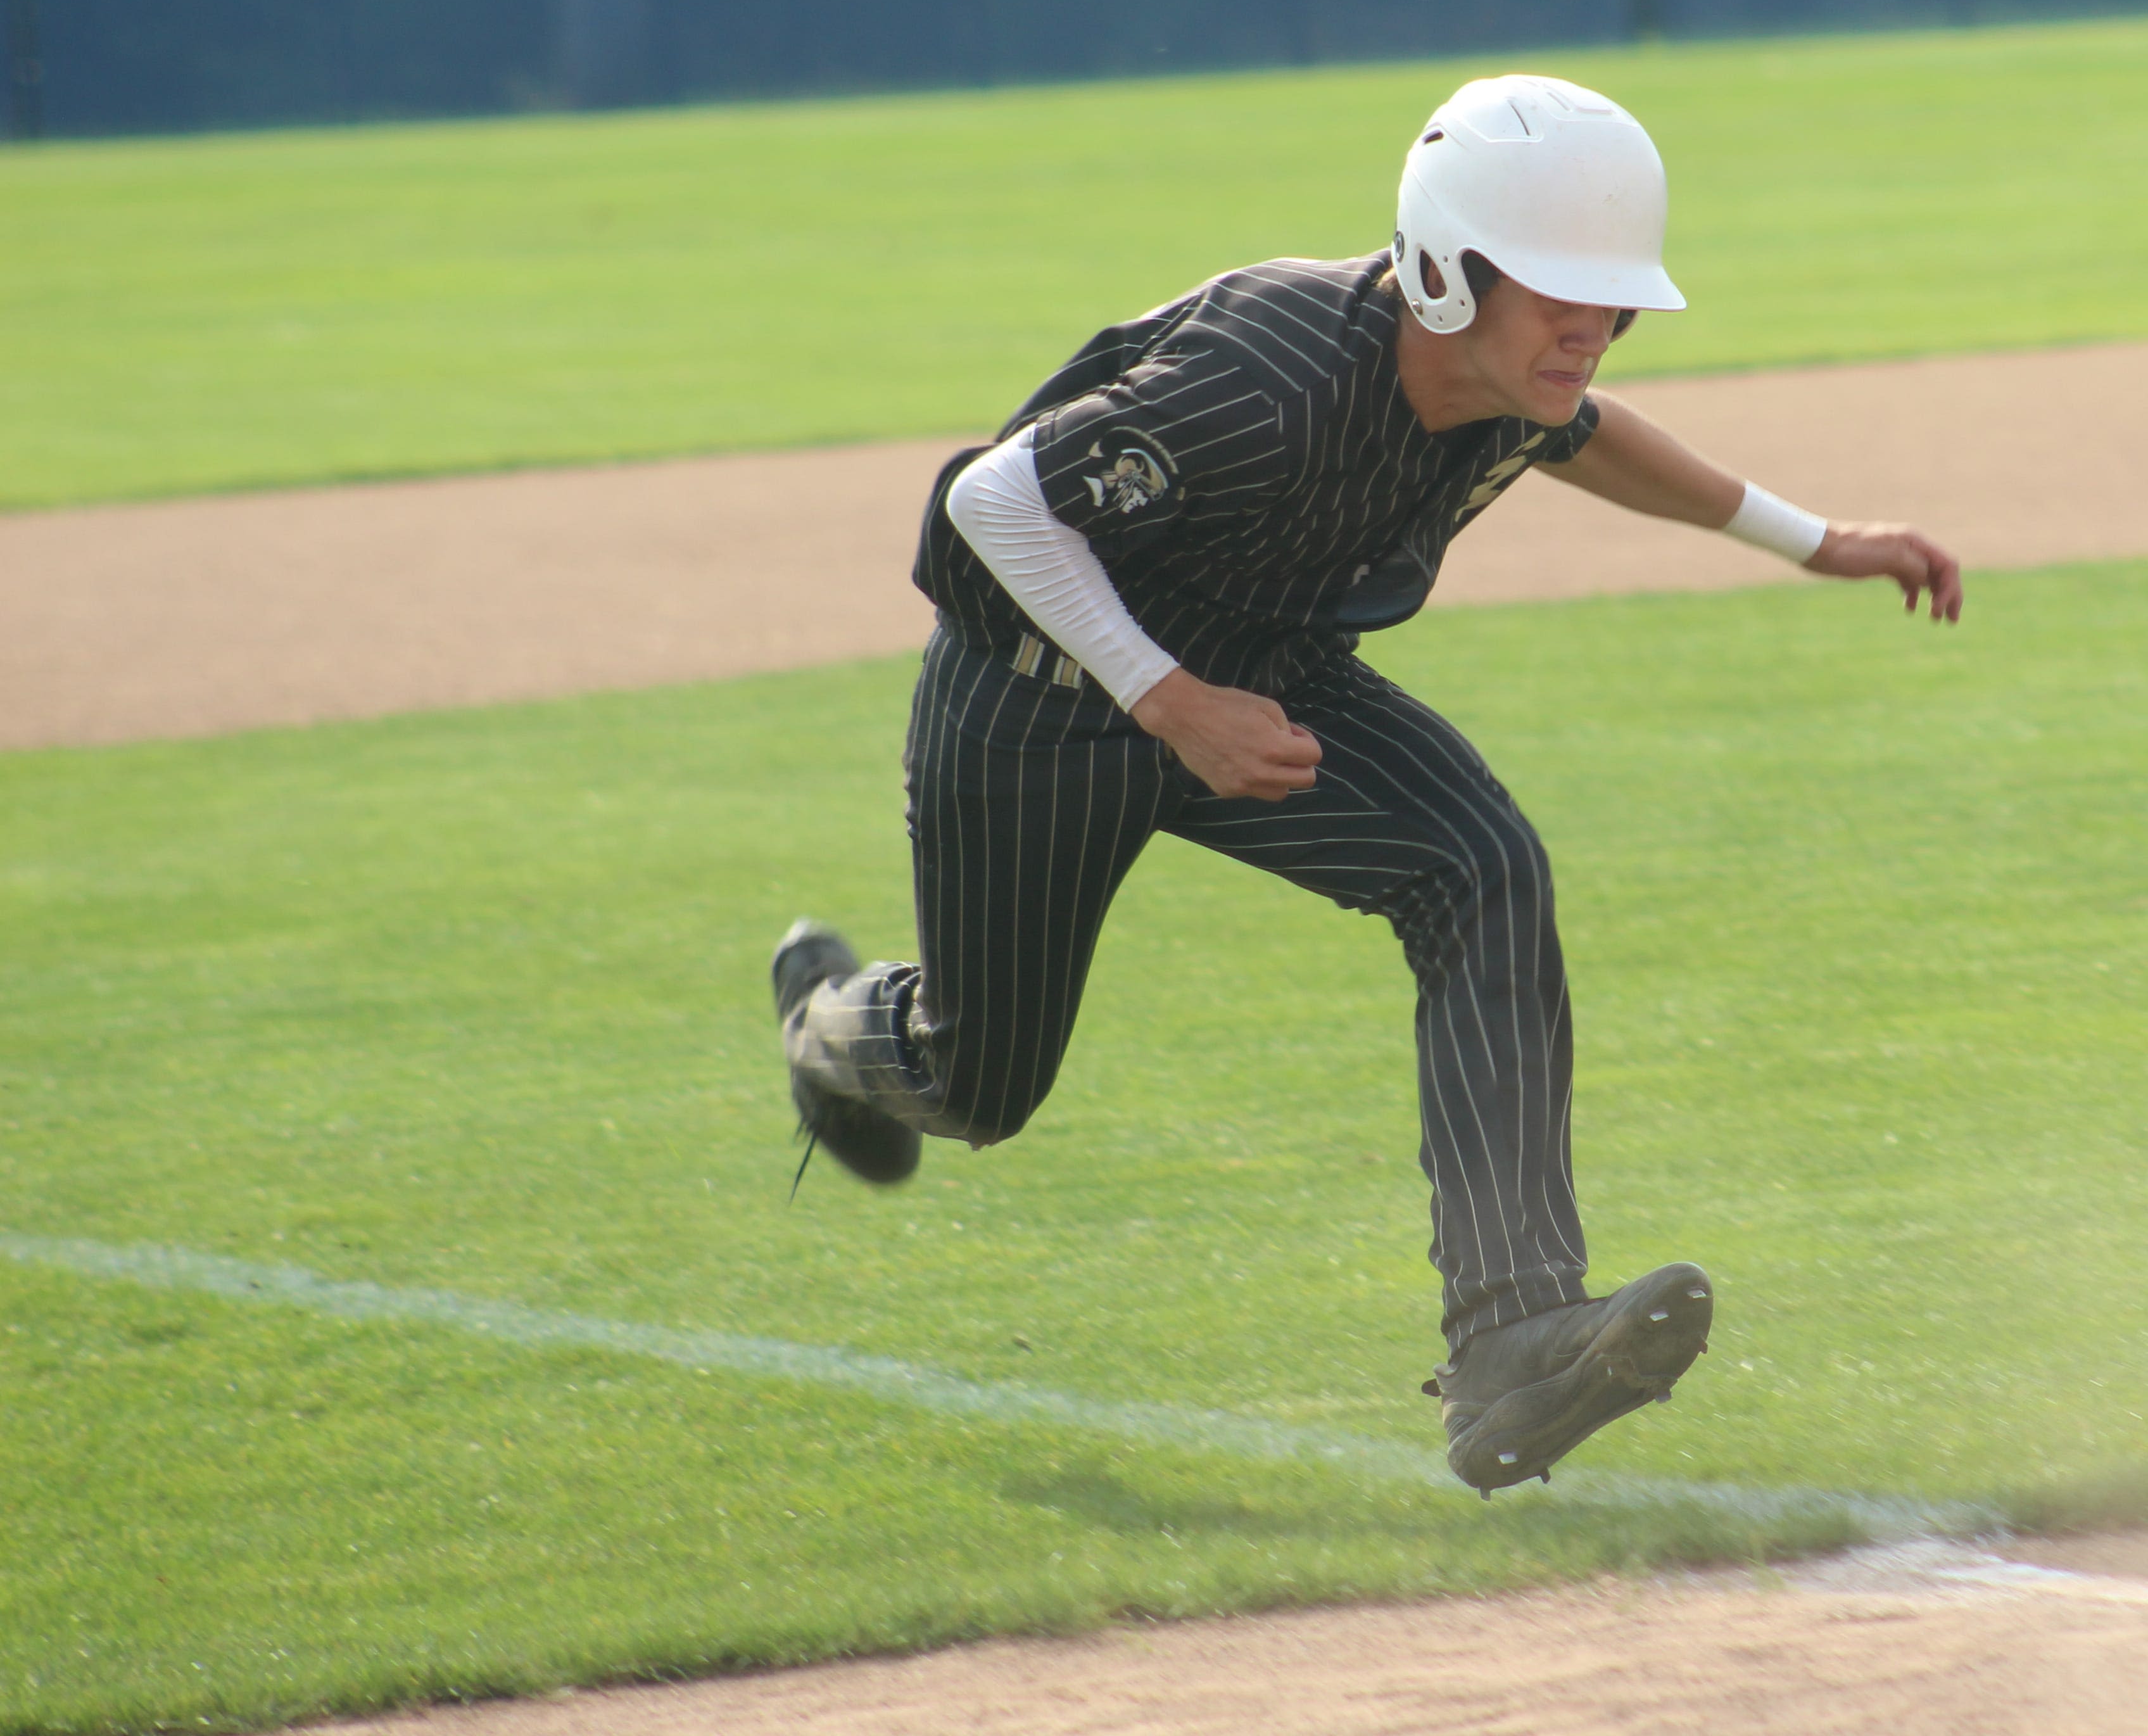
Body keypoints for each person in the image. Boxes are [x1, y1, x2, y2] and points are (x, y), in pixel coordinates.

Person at [764, 73, 1963, 1495]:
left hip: (1267, 675)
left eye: (1615, 301)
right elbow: (991, 504)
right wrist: (1169, 700)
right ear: (1450, 274)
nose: (1595, 328)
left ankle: (1513, 1334)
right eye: (1559, 294)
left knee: (1481, 868)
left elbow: (1590, 437)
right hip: (1045, 704)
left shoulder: (1511, 376)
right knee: (980, 1082)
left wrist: (1814, 539)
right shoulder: (1266, 380)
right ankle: (828, 1032)